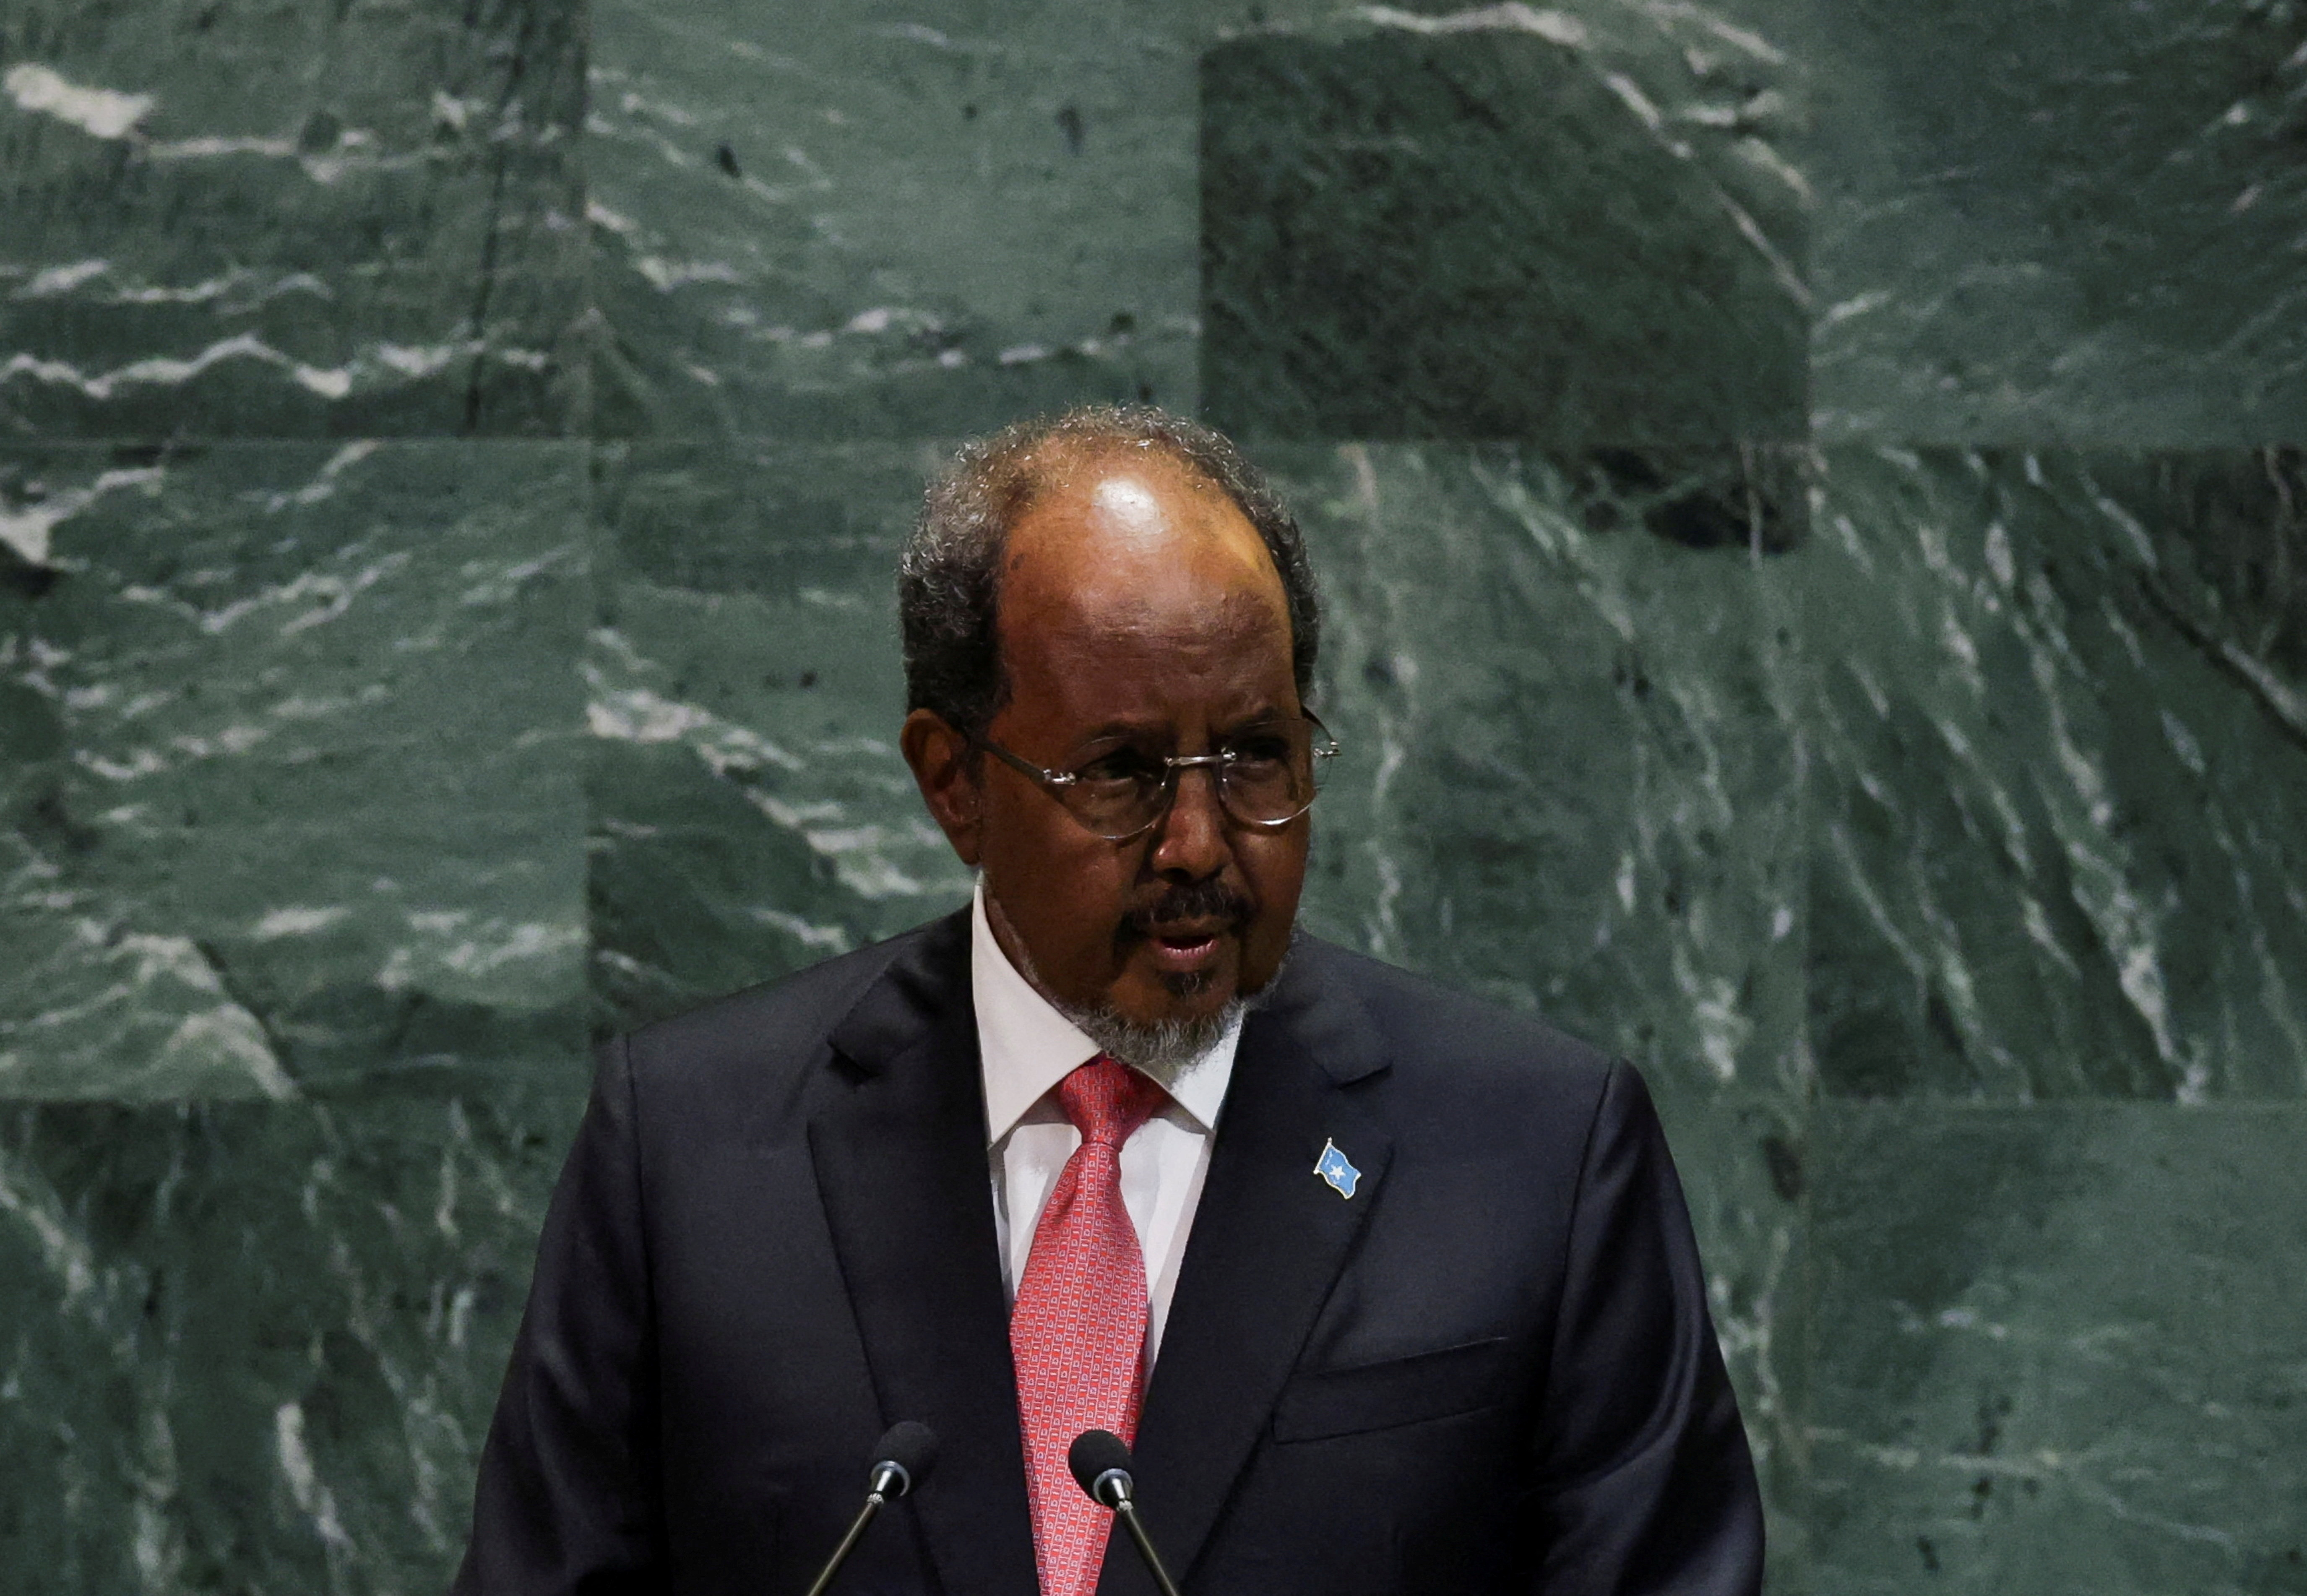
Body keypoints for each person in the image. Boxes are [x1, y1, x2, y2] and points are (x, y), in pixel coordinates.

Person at [456, 406, 1763, 1595]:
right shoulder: (692, 1153)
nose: (1200, 842)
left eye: (1256, 756)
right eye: (1121, 772)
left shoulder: (1535, 1153)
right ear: (952, 783)